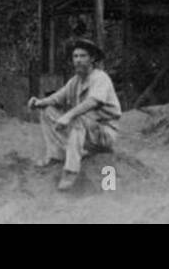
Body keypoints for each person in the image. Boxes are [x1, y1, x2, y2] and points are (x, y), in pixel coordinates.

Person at [27, 37, 121, 191]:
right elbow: (58, 97)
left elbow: (93, 102)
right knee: (48, 110)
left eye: (82, 56)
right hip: (87, 132)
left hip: (104, 133)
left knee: (77, 118)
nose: (78, 60)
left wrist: (68, 116)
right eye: (75, 56)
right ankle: (56, 156)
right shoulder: (75, 80)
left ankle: (70, 172)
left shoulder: (100, 78)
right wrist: (39, 102)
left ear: (92, 59)